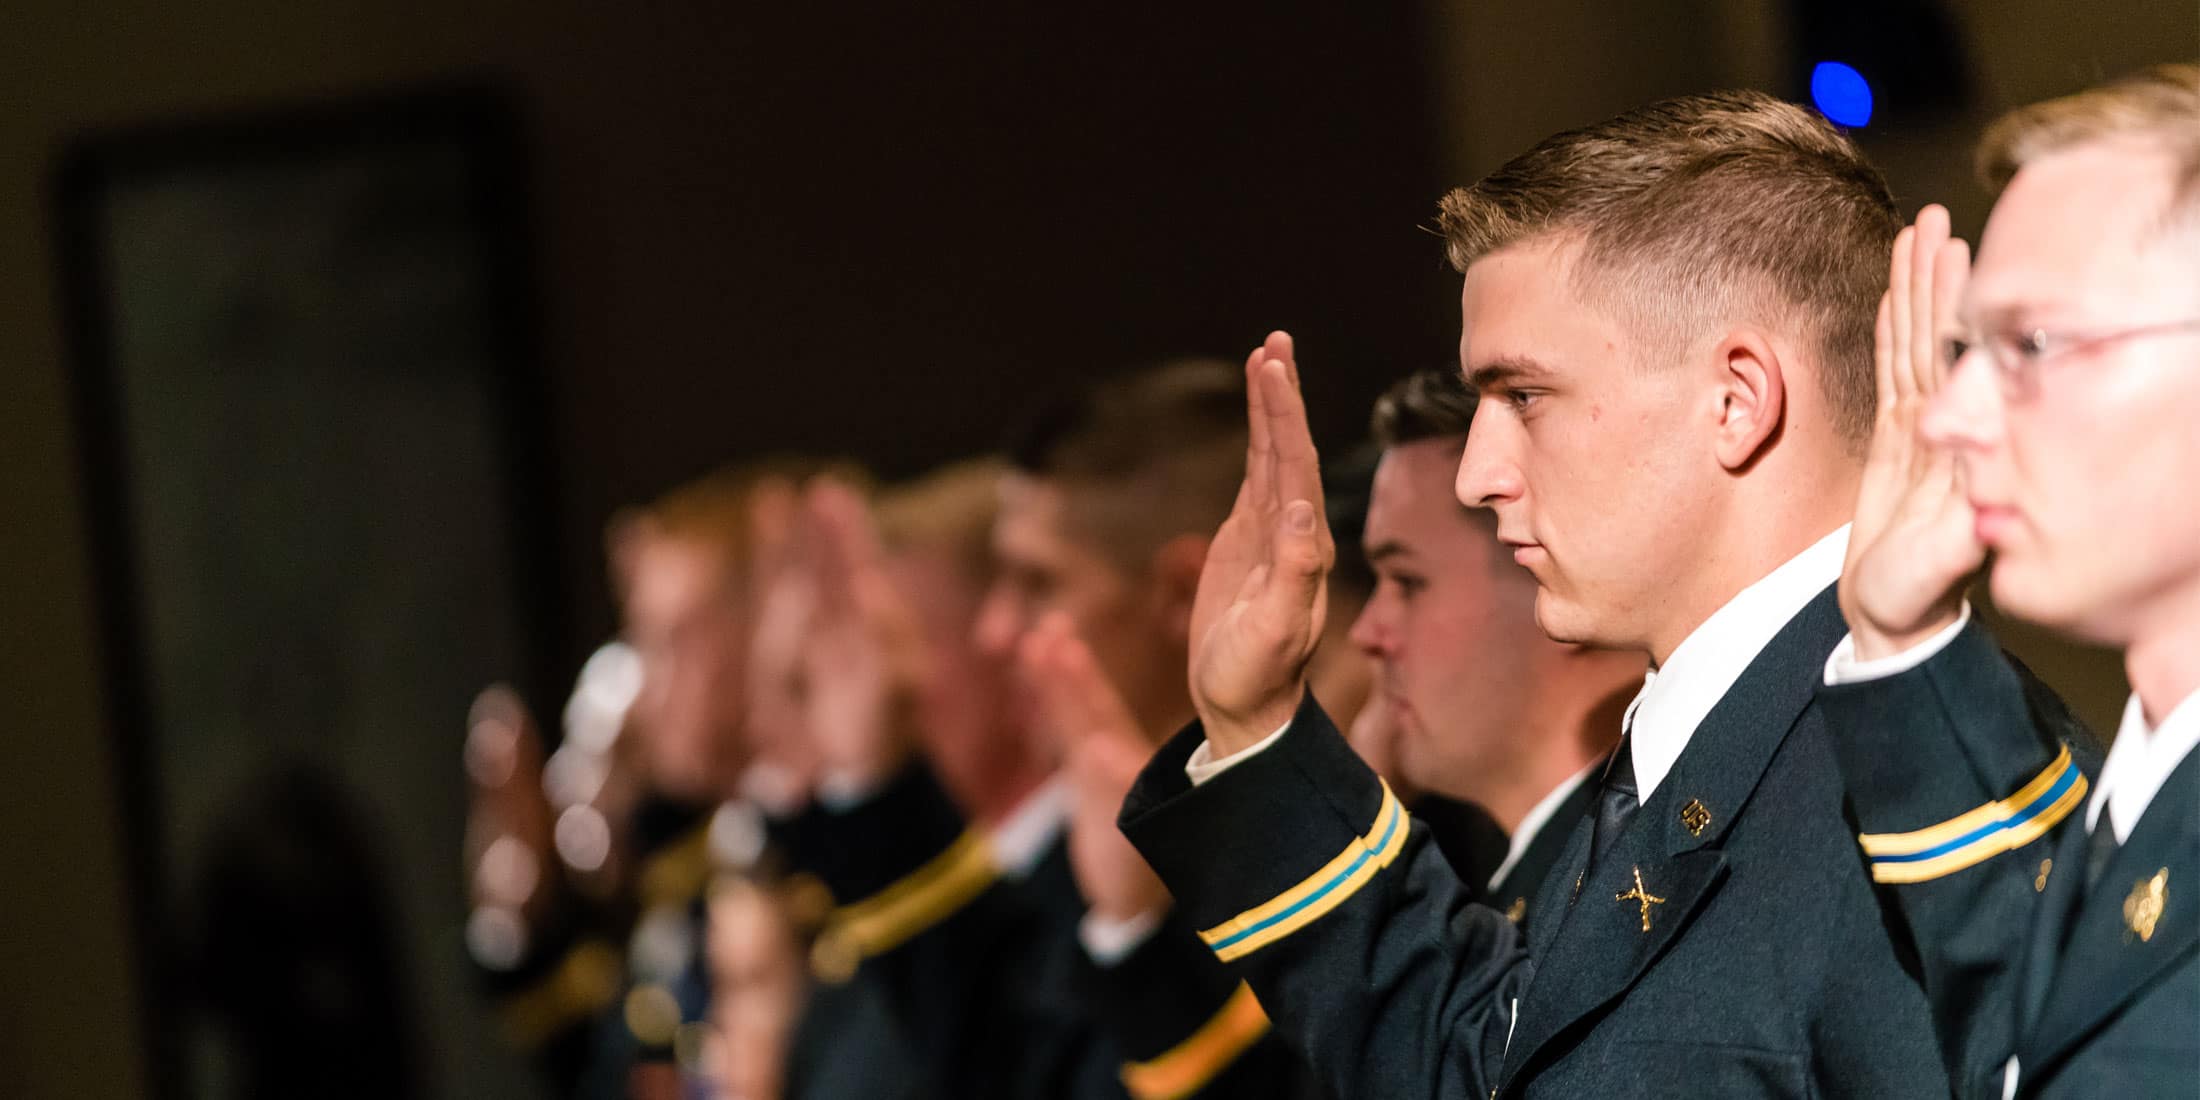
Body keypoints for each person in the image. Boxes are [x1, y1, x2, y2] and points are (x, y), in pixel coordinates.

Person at [1118, 90, 1952, 1097]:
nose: (1476, 472)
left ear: (1736, 400)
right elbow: (1489, 1067)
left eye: (1523, 395)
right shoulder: (1729, 739)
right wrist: (1254, 729)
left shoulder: (1917, 789)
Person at [1825, 63, 2200, 1098]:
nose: (1947, 416)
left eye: (2033, 342)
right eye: (1966, 350)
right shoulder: (2149, 782)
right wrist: (1896, 642)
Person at [1349, 368, 1641, 929]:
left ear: (1556, 571)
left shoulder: (1617, 901)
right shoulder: (1544, 887)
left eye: (1407, 581)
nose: (1368, 633)